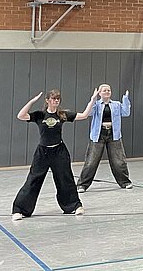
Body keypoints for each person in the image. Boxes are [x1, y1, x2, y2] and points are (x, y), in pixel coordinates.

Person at [11, 88, 97, 221]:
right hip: (42, 153)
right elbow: (21, 115)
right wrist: (32, 101)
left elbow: (84, 115)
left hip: (59, 152)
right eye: (53, 99)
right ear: (47, 101)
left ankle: (74, 206)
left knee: (65, 179)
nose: (56, 101)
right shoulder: (40, 115)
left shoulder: (62, 115)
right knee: (33, 180)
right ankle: (19, 210)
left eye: (58, 99)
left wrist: (92, 100)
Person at [76, 84, 132, 193]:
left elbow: (126, 113)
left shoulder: (116, 104)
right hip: (98, 135)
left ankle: (125, 182)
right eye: (104, 90)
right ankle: (82, 185)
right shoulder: (96, 105)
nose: (107, 92)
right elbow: (89, 113)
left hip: (113, 134)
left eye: (109, 90)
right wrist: (93, 100)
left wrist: (125, 99)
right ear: (100, 93)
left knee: (119, 161)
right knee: (91, 161)